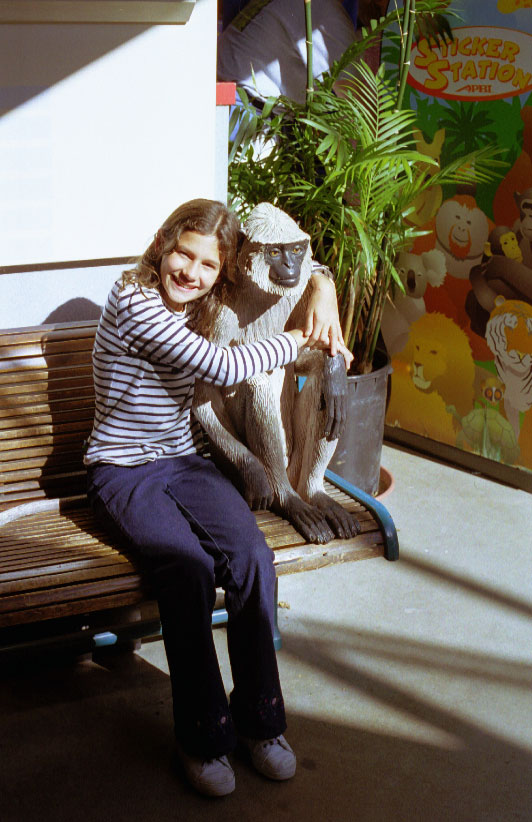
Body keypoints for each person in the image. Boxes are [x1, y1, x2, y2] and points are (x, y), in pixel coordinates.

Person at [84, 198, 350, 797]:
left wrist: (324, 285)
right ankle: (202, 737)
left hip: (184, 462)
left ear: (223, 271)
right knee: (188, 570)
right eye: (185, 254)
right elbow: (218, 365)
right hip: (121, 471)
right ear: (163, 244)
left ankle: (261, 723)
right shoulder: (133, 298)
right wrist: (303, 338)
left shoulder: (204, 300)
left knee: (252, 558)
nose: (192, 272)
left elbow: (295, 268)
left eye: (209, 265)